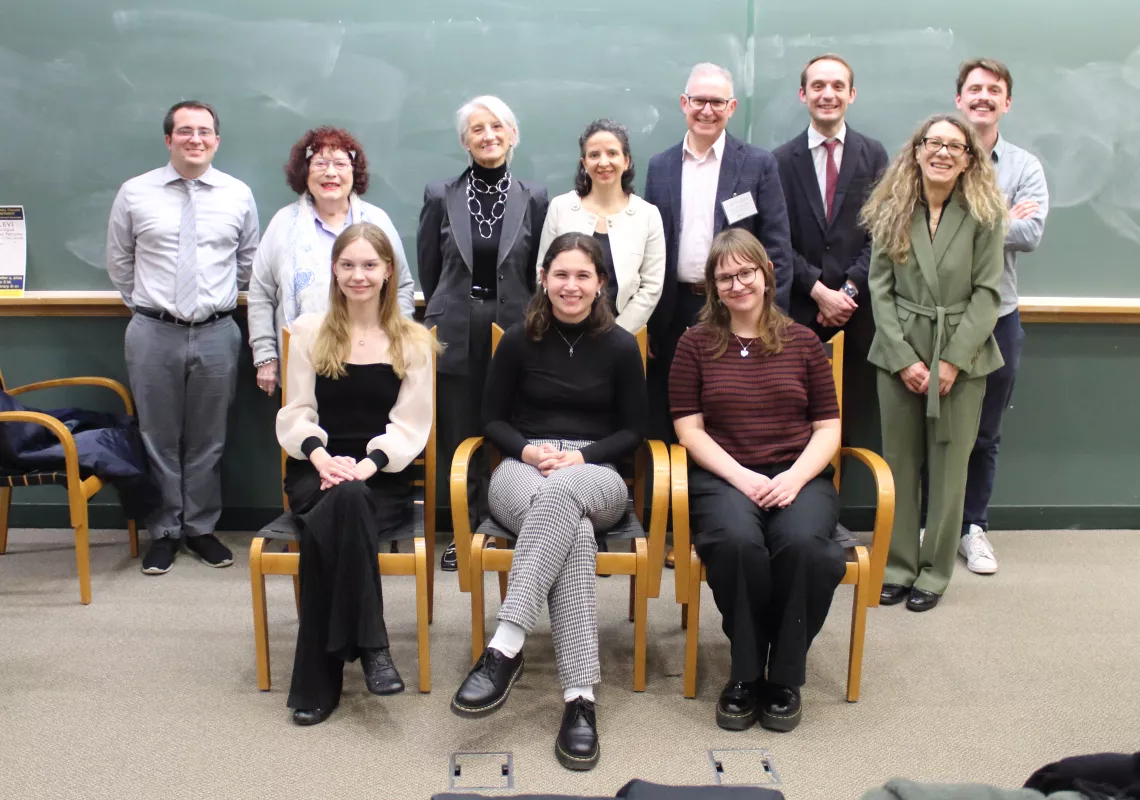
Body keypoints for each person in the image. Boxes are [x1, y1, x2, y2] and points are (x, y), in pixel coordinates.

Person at [451, 233, 647, 772]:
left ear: (601, 283)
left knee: (566, 498)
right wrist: (531, 451)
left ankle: (505, 647)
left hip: (596, 472)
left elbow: (635, 430)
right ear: (544, 278)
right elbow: (490, 421)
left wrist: (582, 461)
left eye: (584, 275)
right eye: (561, 274)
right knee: (575, 532)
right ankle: (579, 698)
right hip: (522, 467)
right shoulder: (516, 341)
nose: (572, 285)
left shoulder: (622, 347)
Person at [670, 228, 845, 734]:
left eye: (745, 272)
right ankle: (744, 674)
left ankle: (783, 678)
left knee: (808, 548)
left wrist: (793, 477)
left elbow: (828, 428)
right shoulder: (695, 344)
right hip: (725, 477)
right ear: (712, 287)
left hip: (799, 474)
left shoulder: (805, 342)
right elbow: (688, 429)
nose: (736, 283)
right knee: (738, 544)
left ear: (766, 276)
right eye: (724, 276)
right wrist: (743, 477)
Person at [275, 222, 438, 725]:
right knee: (341, 504)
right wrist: (322, 459)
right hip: (314, 469)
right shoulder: (307, 331)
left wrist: (363, 467)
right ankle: (372, 647)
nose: (358, 275)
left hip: (382, 476)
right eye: (348, 265)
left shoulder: (412, 340)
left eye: (370, 265)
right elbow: (297, 412)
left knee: (343, 508)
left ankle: (318, 682)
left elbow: (411, 425)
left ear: (389, 271)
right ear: (334, 270)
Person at [106, 100, 259, 575]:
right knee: (158, 435)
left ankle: (200, 527)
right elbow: (120, 262)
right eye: (185, 131)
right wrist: (155, 309)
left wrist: (207, 305)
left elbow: (249, 262)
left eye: (205, 131)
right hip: (153, 331)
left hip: (217, 331)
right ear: (168, 138)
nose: (196, 139)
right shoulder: (135, 193)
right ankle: (166, 530)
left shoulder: (237, 194)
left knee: (209, 439)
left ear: (216, 140)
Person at [861, 114, 1007, 612]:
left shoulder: (985, 213)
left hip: (962, 353)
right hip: (898, 350)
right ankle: (899, 565)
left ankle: (935, 571)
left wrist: (951, 363)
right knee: (899, 463)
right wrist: (903, 358)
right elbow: (878, 287)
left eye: (955, 146)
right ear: (917, 150)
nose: (943, 152)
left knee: (949, 465)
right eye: (934, 143)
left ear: (969, 159)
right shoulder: (892, 208)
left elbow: (989, 293)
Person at [418, 95, 548, 572]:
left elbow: (539, 271)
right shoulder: (440, 194)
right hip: (456, 322)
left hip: (516, 324)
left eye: (497, 126)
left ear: (512, 134)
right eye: (477, 128)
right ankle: (464, 532)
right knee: (460, 430)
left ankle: (510, 525)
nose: (488, 135)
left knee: (512, 424)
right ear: (464, 140)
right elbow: (428, 270)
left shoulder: (535, 196)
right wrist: (451, 307)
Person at [644, 62, 794, 443]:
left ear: (732, 108)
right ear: (683, 103)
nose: (706, 110)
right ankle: (668, 498)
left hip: (738, 307)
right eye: (698, 101)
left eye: (716, 101)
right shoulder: (660, 166)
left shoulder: (758, 164)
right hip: (673, 308)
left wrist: (770, 318)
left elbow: (777, 246)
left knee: (729, 411)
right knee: (672, 412)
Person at [953, 58, 1049, 574]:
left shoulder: (1024, 166)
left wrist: (967, 223)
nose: (983, 97)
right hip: (941, 316)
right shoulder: (937, 154)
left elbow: (1031, 235)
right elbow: (926, 228)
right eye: (974, 89)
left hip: (999, 316)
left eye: (994, 90)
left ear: (1006, 103)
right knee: (937, 427)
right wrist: (1000, 219)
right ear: (959, 99)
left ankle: (973, 527)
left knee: (985, 433)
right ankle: (932, 523)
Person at [247, 126, 415, 395]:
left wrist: (402, 342)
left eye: (340, 163)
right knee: (305, 432)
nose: (330, 172)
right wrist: (266, 357)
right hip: (304, 359)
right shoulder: (283, 224)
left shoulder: (378, 221)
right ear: (305, 171)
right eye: (320, 163)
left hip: (374, 359)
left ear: (353, 171)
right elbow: (260, 294)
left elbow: (402, 285)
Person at [773, 54, 888, 372]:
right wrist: (819, 291)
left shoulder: (874, 154)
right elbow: (776, 238)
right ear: (803, 94)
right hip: (799, 314)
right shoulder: (779, 162)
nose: (828, 94)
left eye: (838, 86)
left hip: (860, 315)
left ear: (851, 94)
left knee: (858, 416)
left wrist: (847, 292)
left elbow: (883, 234)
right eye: (818, 85)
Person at [536, 119, 665, 332]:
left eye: (612, 153)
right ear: (584, 163)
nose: (603, 162)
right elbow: (542, 272)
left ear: (626, 161)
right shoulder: (560, 207)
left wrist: (616, 334)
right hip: (561, 331)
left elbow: (651, 287)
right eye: (594, 155)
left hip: (622, 335)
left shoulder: (648, 215)